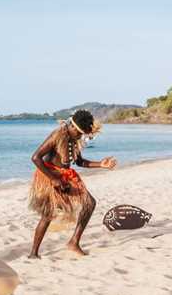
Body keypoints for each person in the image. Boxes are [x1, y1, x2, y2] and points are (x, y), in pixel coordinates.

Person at [28, 109, 117, 258]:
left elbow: (80, 162)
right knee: (48, 215)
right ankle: (33, 253)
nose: (81, 136)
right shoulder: (57, 135)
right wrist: (54, 179)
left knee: (89, 203)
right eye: (80, 133)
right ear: (73, 127)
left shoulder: (73, 139)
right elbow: (36, 158)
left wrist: (101, 164)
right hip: (49, 175)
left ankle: (74, 242)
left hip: (65, 177)